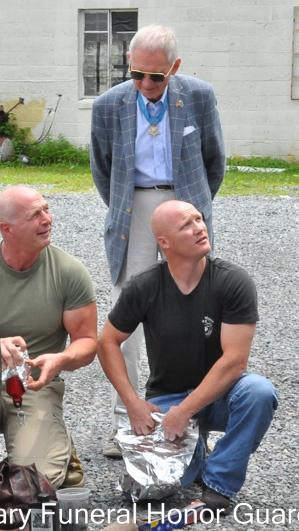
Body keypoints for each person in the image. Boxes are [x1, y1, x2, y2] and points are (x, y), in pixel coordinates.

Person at [90, 24, 226, 457]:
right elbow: (102, 169)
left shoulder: (199, 96)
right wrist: (126, 207)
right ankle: (125, 420)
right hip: (133, 208)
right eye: (137, 74)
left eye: (156, 76)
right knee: (126, 315)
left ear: (175, 68)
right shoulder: (108, 105)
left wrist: (193, 209)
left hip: (183, 203)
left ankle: (192, 420)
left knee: (196, 313)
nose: (146, 84)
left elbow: (214, 161)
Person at [96, 200, 277, 512]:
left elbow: (235, 361)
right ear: (164, 242)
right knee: (150, 490)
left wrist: (186, 411)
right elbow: (107, 341)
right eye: (186, 225)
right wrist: (132, 403)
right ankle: (197, 455)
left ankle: (219, 483)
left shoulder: (233, 281)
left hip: (221, 396)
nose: (199, 228)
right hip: (167, 398)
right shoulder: (144, 286)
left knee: (259, 391)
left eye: (198, 219)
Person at [0, 185, 97, 488]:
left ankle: (57, 445)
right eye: (35, 215)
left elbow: (88, 342)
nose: (47, 219)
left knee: (31, 483)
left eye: (46, 209)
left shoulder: (69, 271)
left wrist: (62, 359)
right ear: (7, 229)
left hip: (36, 385)